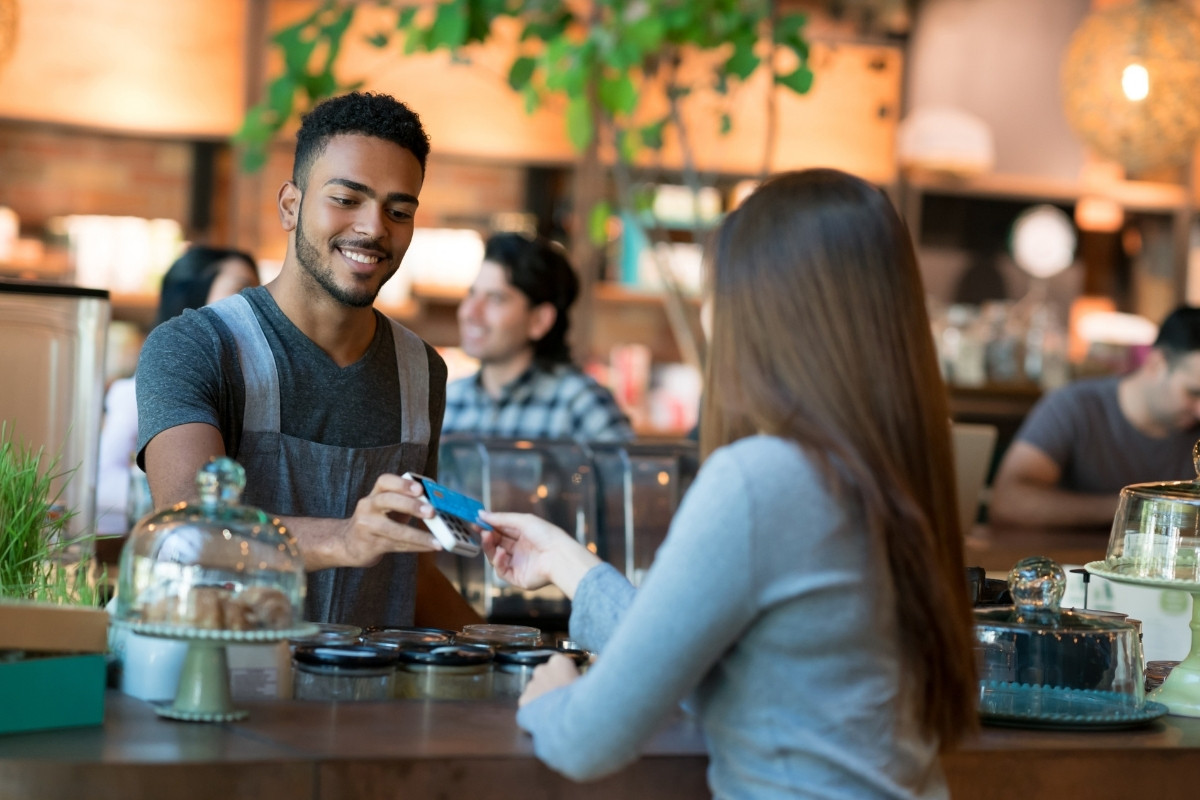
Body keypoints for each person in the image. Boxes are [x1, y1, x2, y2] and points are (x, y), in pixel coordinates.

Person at [478, 169, 977, 797]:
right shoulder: (894, 470)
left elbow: (587, 741)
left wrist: (547, 700)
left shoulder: (762, 478)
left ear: (759, 312)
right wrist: (566, 562)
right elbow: (709, 654)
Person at [135, 91, 478, 630]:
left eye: (399, 210)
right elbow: (187, 534)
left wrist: (513, 653)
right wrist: (347, 536)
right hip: (218, 691)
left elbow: (410, 569)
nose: (374, 228)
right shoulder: (195, 347)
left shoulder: (421, 371)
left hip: (371, 702)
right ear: (290, 206)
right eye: (346, 199)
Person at [96, 246, 259, 534]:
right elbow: (103, 482)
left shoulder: (253, 386)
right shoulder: (137, 391)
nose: (254, 304)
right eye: (241, 289)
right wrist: (165, 486)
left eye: (258, 291)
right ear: (194, 297)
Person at [991, 305, 1200, 529]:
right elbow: (1008, 502)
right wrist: (1137, 506)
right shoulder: (1074, 406)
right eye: (1194, 392)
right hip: (1071, 562)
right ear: (1155, 363)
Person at [442, 232, 634, 441]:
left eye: (495, 299)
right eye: (472, 294)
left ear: (539, 321)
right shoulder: (448, 401)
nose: (470, 312)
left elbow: (631, 473)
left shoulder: (580, 405)